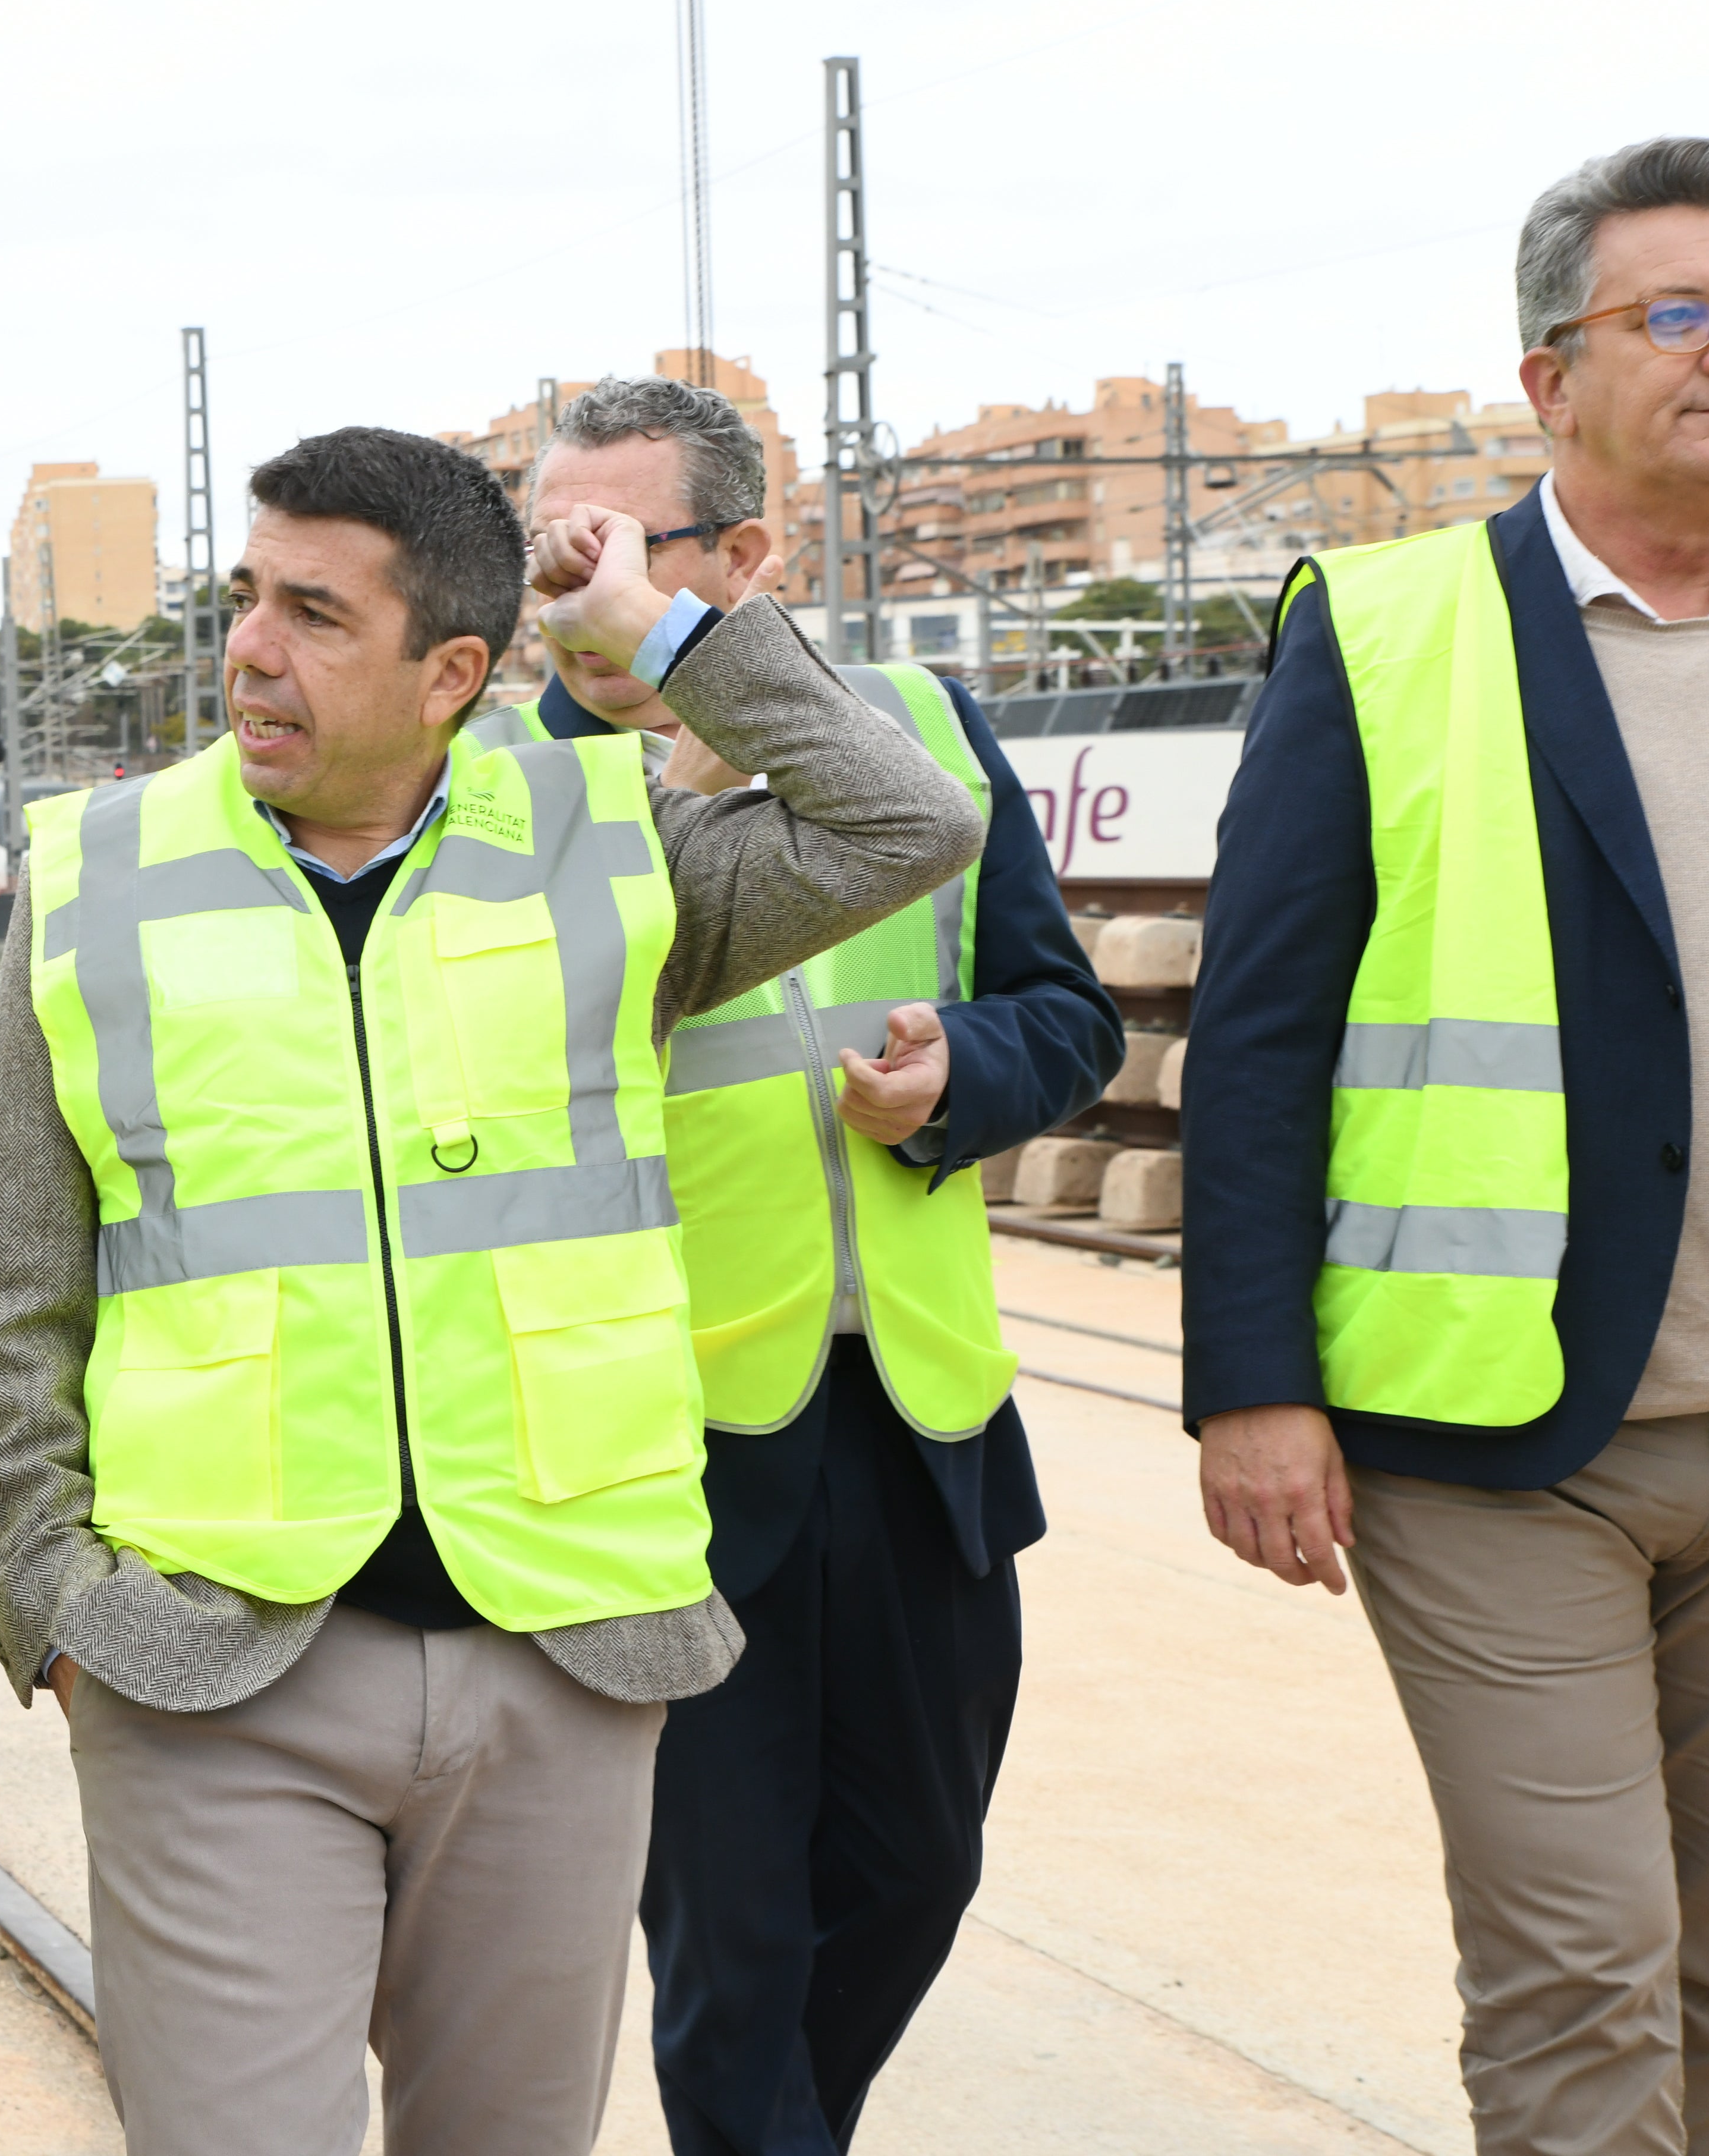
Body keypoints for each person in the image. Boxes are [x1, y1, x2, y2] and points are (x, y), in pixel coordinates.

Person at [0, 424, 984, 2156]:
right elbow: (15, 1288)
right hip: (209, 1662)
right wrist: (58, 1604)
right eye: (246, 598)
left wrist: (659, 628)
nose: (252, 652)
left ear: (451, 674)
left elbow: (911, 817)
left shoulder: (612, 851)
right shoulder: (102, 873)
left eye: (315, 615)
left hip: (558, 1656)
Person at [1187, 137, 1709, 2156]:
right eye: (1678, 313)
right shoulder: (1389, 629)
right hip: (1498, 1437)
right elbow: (1260, 1033)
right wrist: (1252, 1382)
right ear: (1551, 375)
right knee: (1584, 1963)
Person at [474, 375, 1118, 2154]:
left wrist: (959, 1076)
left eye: (610, 550)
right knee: (732, 1936)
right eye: (550, 557)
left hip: (919, 1423)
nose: (571, 591)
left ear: (744, 555)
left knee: (917, 1875)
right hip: (660, 1440)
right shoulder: (497, 797)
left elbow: (1066, 1016)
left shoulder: (917, 730)